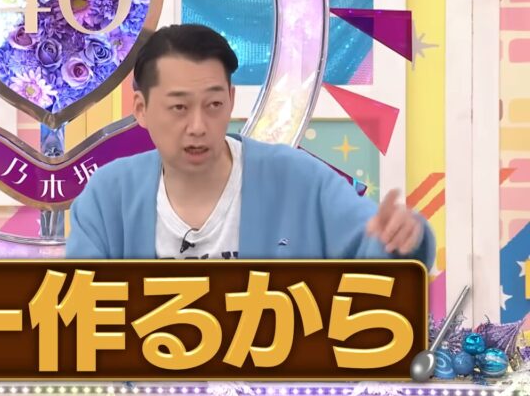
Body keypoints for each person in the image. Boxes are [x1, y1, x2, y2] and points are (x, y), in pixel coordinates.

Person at [66, 23, 435, 267]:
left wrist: (402, 239)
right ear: (141, 109)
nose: (198, 126)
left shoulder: (298, 179)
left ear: (230, 98)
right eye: (179, 107)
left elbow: (375, 251)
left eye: (214, 105)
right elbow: (79, 311)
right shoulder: (107, 197)